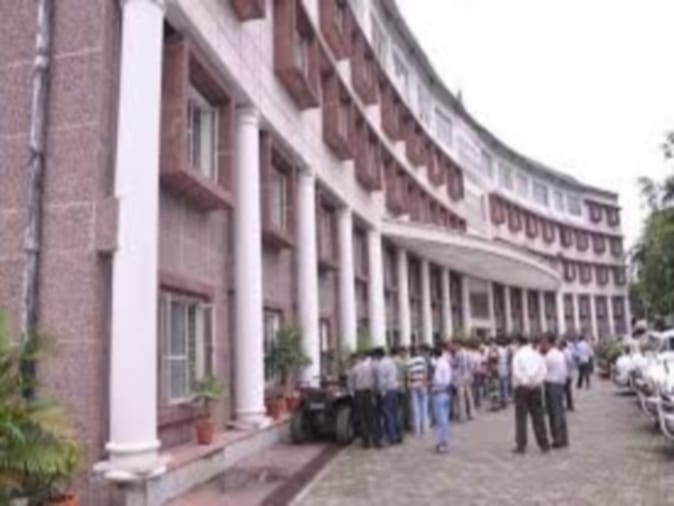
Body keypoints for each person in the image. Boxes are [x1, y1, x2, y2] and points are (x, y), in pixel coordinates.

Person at [511, 335, 550, 454]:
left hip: (521, 388)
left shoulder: (518, 355)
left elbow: (516, 372)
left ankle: (521, 445)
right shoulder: (537, 355)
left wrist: (525, 381)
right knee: (538, 416)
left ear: (518, 343)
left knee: (521, 418)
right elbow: (544, 372)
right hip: (536, 388)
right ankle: (544, 444)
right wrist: (535, 382)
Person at [540, 335, 569, 448]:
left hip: (552, 385)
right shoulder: (559, 354)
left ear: (548, 343)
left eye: (543, 343)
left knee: (554, 413)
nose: (542, 345)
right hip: (560, 384)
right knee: (560, 412)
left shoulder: (549, 357)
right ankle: (563, 438)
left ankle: (557, 439)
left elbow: (542, 371)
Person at [349, 351, 381, 448]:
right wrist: (375, 392)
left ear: (358, 359)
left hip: (359, 393)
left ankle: (366, 441)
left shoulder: (354, 368)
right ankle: (376, 440)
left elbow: (350, 383)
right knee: (372, 417)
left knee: (362, 417)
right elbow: (376, 381)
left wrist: (352, 393)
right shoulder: (371, 368)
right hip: (369, 393)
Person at [373, 347, 402, 445]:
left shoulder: (381, 365)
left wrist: (382, 393)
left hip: (387, 391)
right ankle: (398, 435)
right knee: (394, 413)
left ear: (377, 355)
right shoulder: (391, 362)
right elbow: (396, 375)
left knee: (388, 415)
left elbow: (381, 382)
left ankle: (391, 437)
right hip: (394, 389)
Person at [430, 344, 453, 453]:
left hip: (439, 392)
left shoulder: (439, 365)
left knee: (440, 420)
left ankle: (441, 442)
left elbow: (438, 380)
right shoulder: (446, 363)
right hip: (446, 392)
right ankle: (445, 441)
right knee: (445, 419)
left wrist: (432, 384)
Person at [406, 346, 429, 436]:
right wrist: (425, 382)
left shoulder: (409, 362)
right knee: (424, 407)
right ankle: (425, 428)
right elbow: (425, 372)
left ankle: (417, 430)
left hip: (413, 385)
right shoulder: (422, 360)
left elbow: (408, 375)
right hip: (422, 384)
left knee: (415, 408)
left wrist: (409, 384)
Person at [452, 341, 474, 422]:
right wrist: (470, 374)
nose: (454, 347)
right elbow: (471, 365)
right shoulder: (468, 353)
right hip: (468, 376)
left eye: (454, 345)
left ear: (458, 345)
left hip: (460, 378)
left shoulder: (457, 354)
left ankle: (463, 415)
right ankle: (471, 413)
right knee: (469, 396)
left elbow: (454, 364)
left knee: (461, 397)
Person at [561, 340, 576, 411]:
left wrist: (570, 369)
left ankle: (569, 405)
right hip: (566, 373)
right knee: (566, 390)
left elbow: (570, 361)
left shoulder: (566, 352)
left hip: (567, 374)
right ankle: (568, 405)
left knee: (566, 390)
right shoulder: (565, 352)